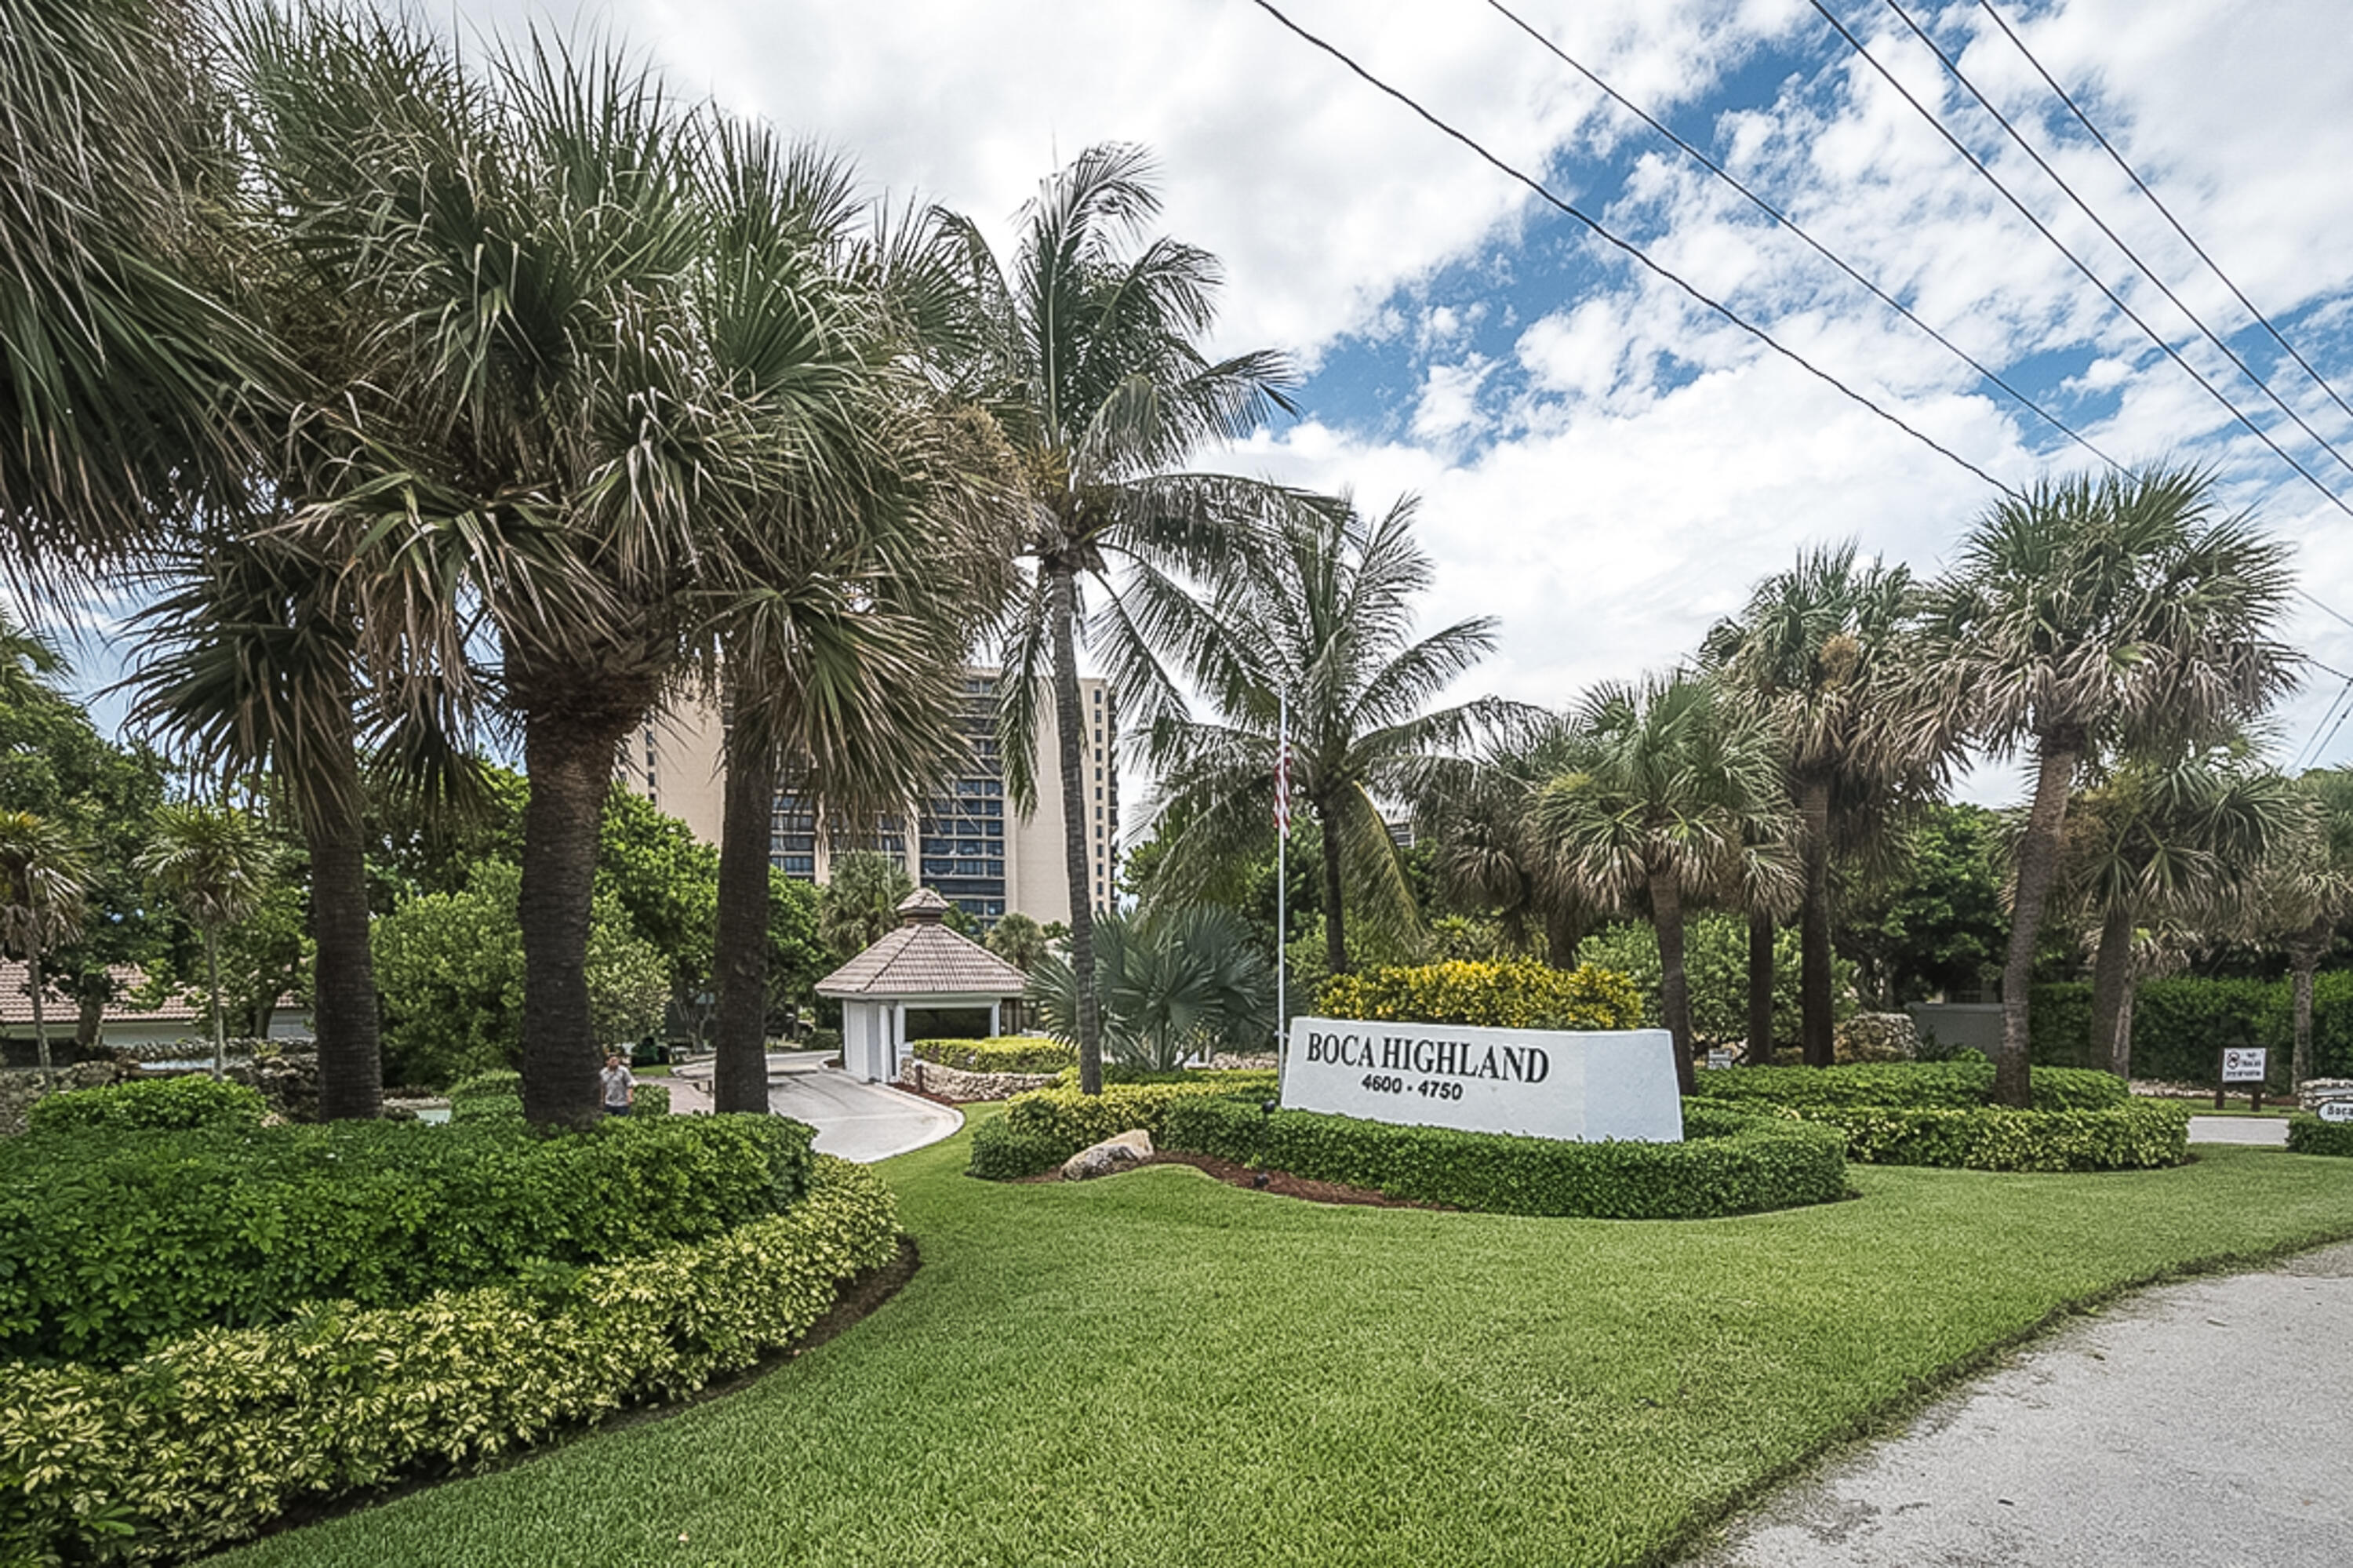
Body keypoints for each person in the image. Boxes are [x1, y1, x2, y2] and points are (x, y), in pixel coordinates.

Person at [599, 1052, 636, 1118]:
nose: (616, 1062)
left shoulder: (624, 1071)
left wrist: (630, 1097)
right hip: (609, 1103)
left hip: (622, 1103)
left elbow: (630, 1085)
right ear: (607, 1062)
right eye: (613, 1061)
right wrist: (602, 1100)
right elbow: (603, 1087)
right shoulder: (603, 1073)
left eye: (616, 1060)